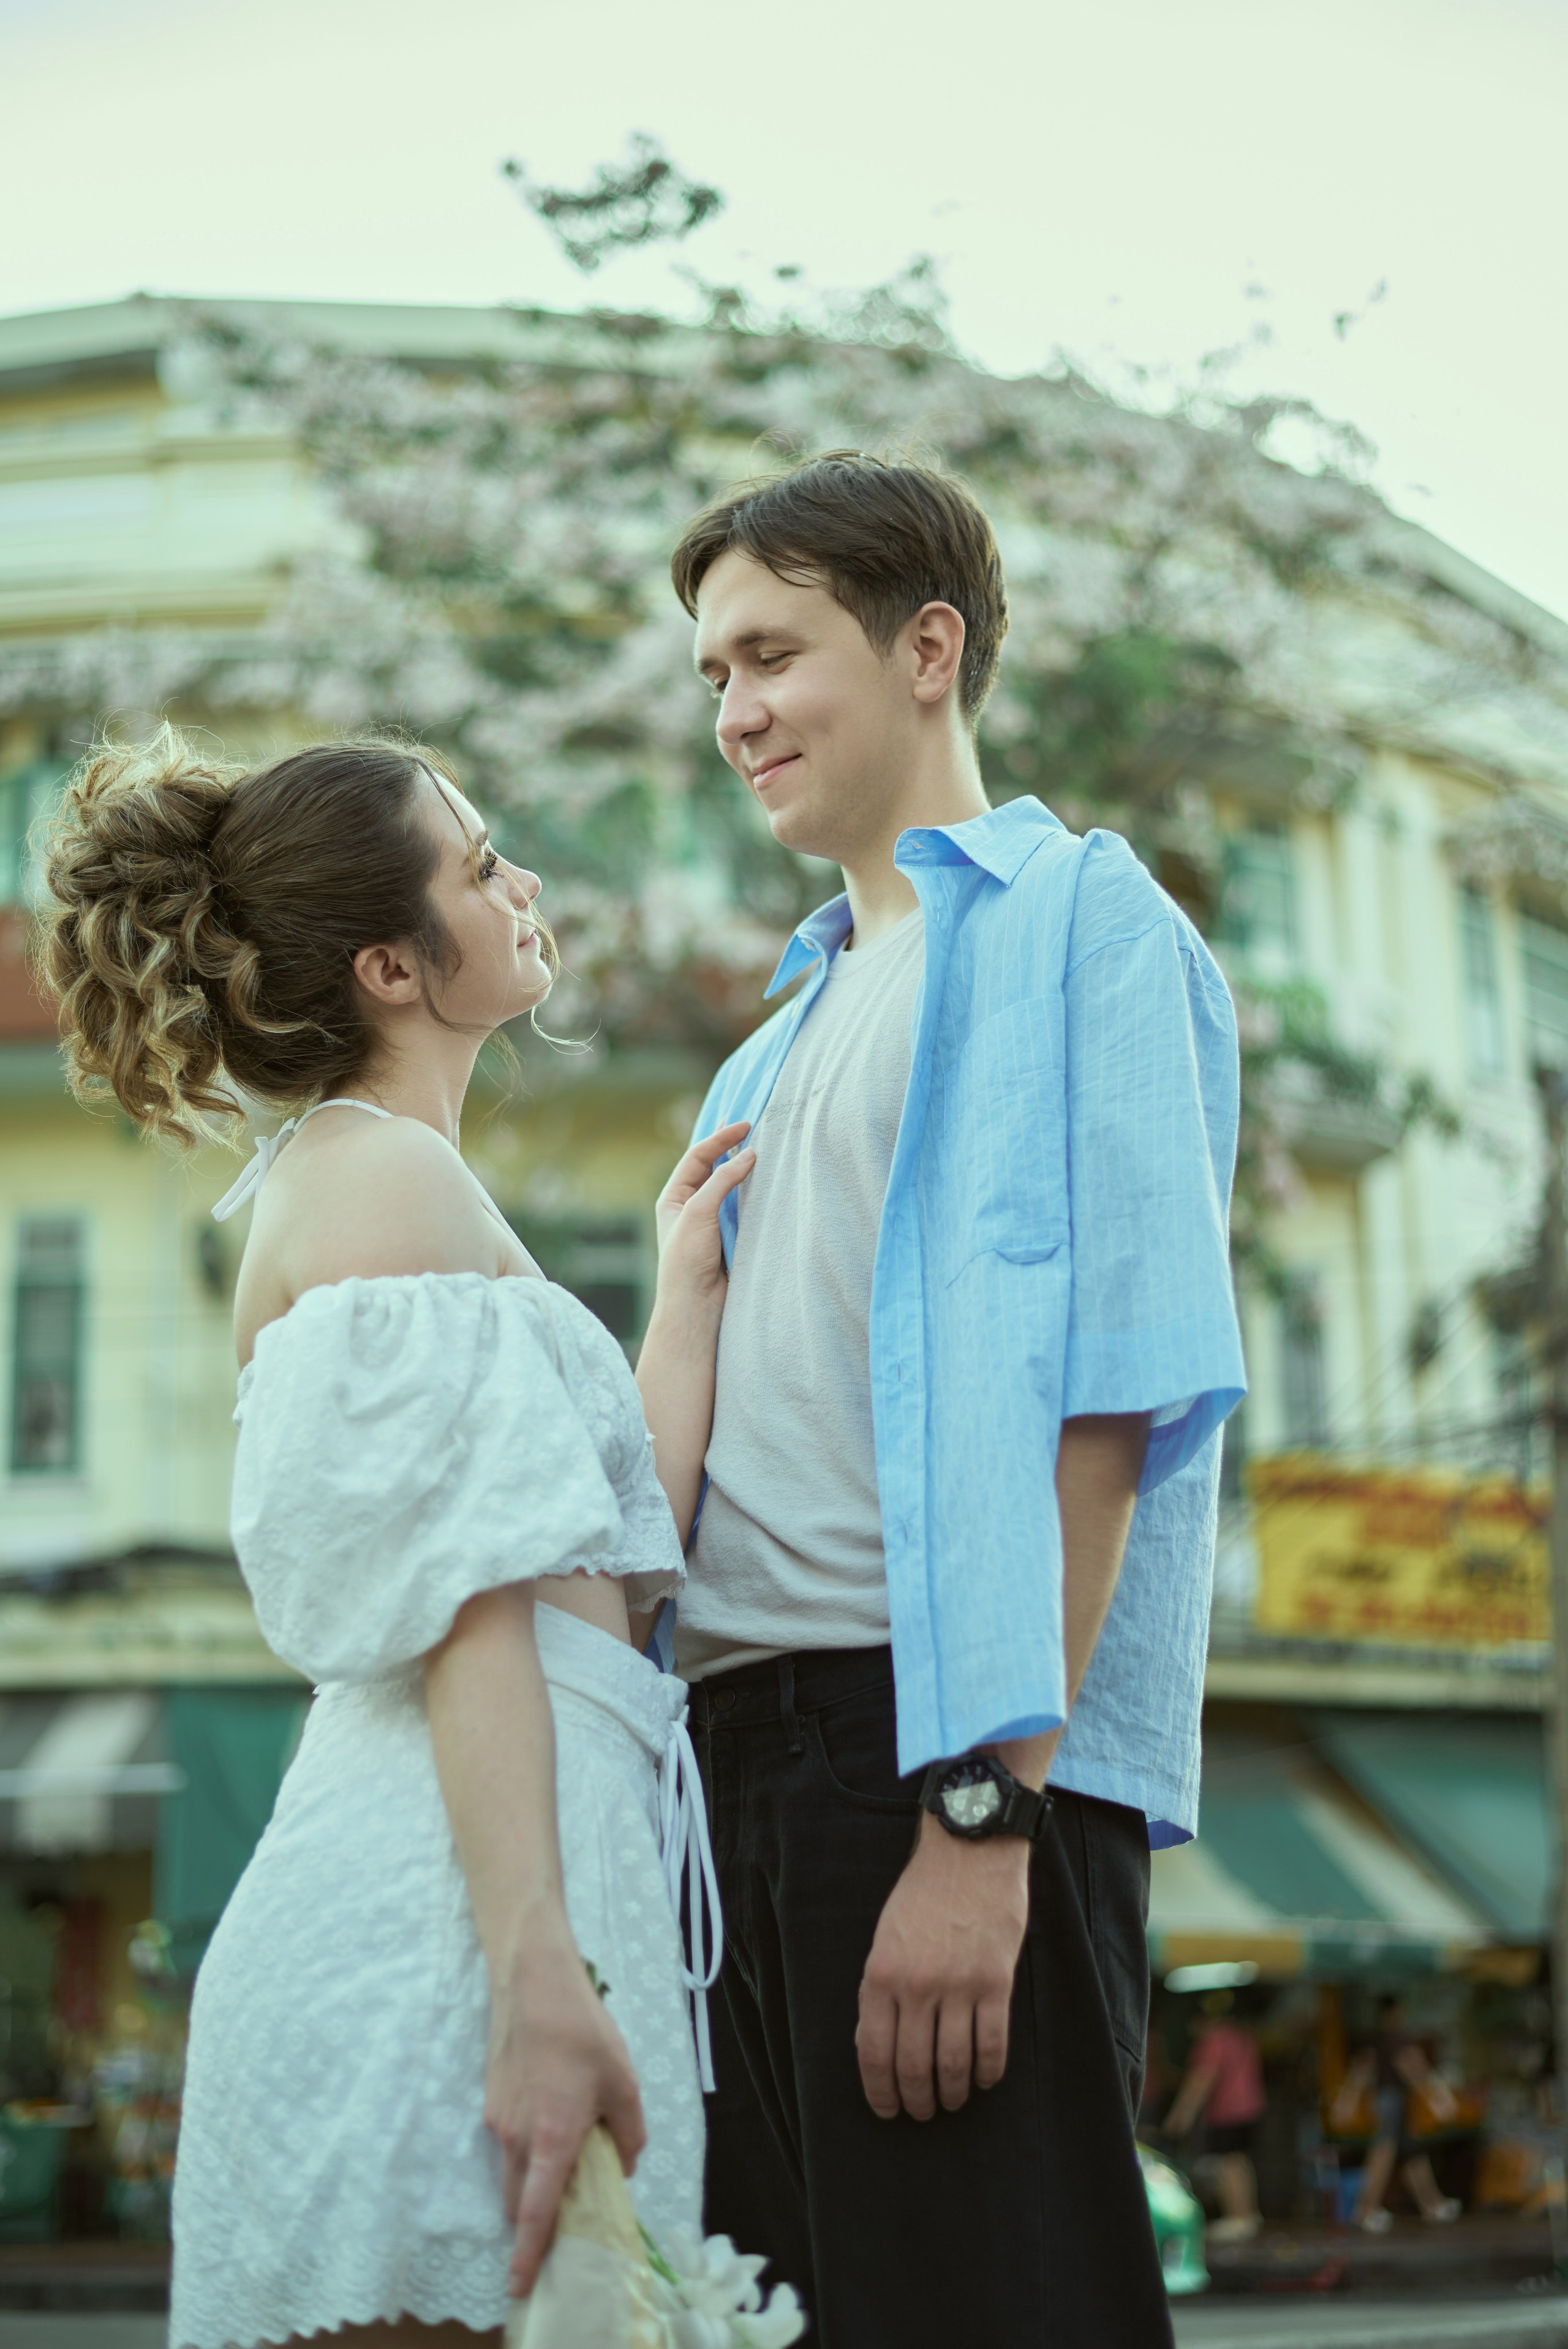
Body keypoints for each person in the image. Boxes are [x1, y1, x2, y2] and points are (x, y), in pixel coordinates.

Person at [36, 730, 784, 2349]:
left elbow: (598, 1551)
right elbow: (475, 1606)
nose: (520, 880)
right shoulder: (379, 1181)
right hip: (450, 1931)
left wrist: (681, 1304)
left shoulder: (398, 1180)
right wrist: (533, 1971)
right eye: (478, 862)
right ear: (390, 962)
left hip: (509, 1891)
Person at [660, 451, 1247, 2347]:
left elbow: (1114, 1397)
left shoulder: (1089, 924)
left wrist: (981, 1818)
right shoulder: (774, 1030)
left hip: (934, 1749)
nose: (735, 710)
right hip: (723, 1771)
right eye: (710, 675)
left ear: (929, 648)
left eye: (770, 652)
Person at [1333, 1993, 1462, 2231]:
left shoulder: (1376, 2039)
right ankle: (1365, 2210)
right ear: (1396, 2012)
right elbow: (1413, 2069)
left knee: (1413, 2155)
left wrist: (1347, 2101)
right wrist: (1438, 2099)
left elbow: (1361, 2071)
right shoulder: (1396, 2038)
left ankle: (1432, 2205)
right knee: (1383, 2152)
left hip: (1386, 2101)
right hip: (1392, 2101)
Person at [1163, 1991, 1266, 2241]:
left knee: (1226, 2162)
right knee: (1239, 2160)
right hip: (1251, 2108)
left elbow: (1201, 2081)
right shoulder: (1241, 2035)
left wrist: (1180, 2117)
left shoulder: (1213, 2041)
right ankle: (1248, 2215)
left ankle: (1238, 2218)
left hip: (1228, 2111)